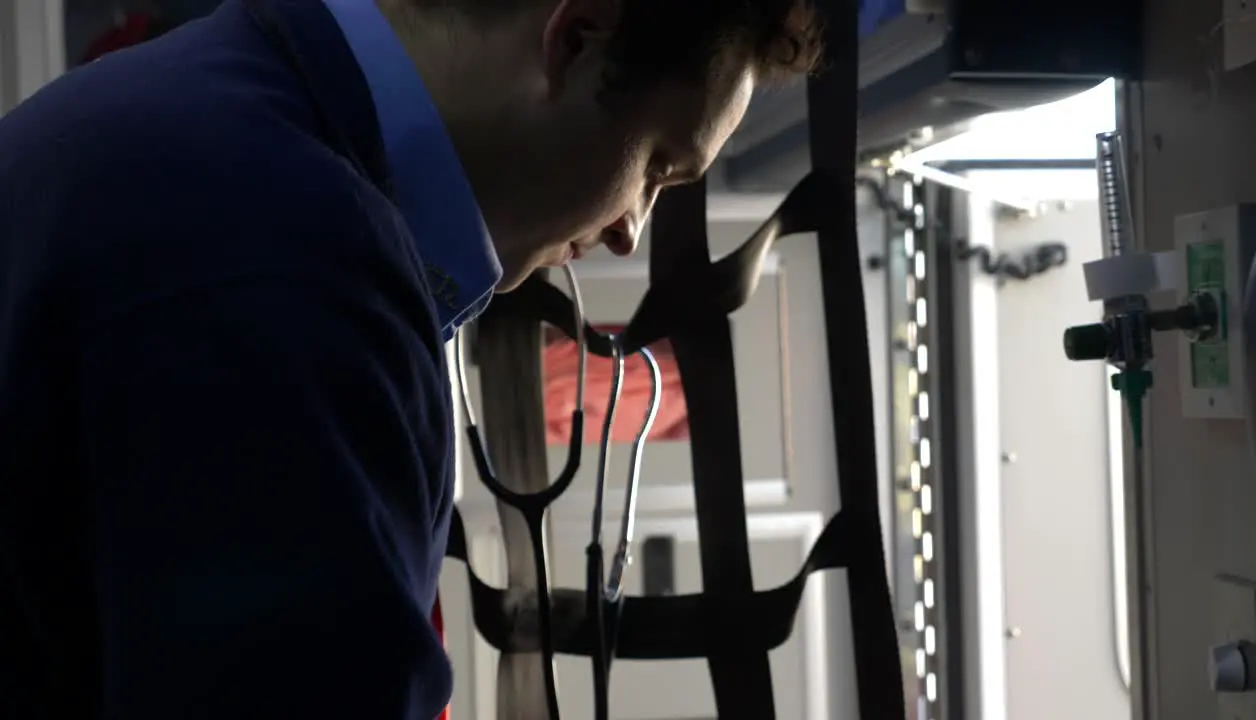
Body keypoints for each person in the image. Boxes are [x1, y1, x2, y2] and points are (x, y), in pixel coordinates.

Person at [0, 0, 822, 717]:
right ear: (578, 36)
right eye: (656, 166)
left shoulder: (215, 104)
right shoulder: (293, 263)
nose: (627, 231)